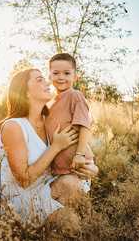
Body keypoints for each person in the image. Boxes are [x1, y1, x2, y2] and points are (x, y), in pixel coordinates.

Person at [0, 68, 98, 224]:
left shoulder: (51, 121)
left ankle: (56, 223)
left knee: (72, 186)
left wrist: (92, 169)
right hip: (16, 197)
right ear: (25, 92)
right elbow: (24, 180)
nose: (48, 82)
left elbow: (85, 153)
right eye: (39, 80)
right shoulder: (14, 126)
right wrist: (56, 147)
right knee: (69, 223)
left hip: (44, 188)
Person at [45, 53, 96, 201]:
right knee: (57, 205)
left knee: (64, 203)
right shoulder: (50, 103)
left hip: (77, 164)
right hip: (61, 168)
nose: (61, 77)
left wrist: (79, 154)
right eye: (56, 73)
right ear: (49, 76)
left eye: (67, 73)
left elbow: (84, 126)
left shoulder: (75, 96)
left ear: (75, 77)